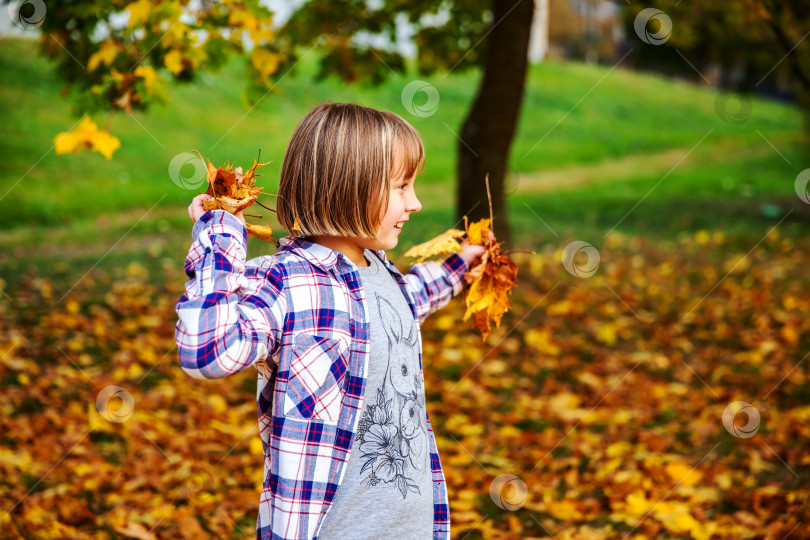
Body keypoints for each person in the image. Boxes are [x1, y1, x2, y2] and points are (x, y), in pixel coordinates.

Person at [176, 102, 485, 540]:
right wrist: (221, 237)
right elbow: (207, 348)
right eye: (401, 187)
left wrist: (459, 269)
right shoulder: (289, 283)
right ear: (349, 188)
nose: (415, 203)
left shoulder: (377, 269)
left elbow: (401, 307)